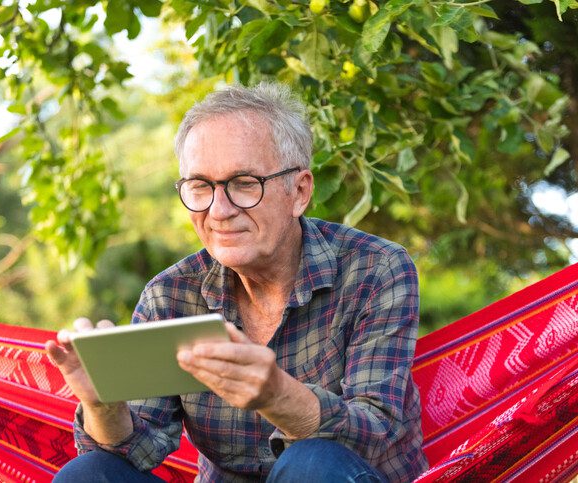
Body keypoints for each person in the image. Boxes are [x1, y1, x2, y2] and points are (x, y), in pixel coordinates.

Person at [46, 83, 428, 482]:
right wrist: (103, 404)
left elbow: (376, 433)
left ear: (299, 192)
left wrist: (277, 396)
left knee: (311, 462)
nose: (219, 210)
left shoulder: (375, 268)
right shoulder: (170, 296)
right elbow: (136, 450)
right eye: (200, 187)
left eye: (244, 183)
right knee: (88, 473)